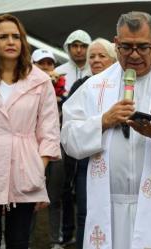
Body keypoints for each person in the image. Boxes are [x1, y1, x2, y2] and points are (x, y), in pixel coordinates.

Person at [61, 11, 151, 249]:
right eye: (126, 47)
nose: (134, 55)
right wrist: (103, 121)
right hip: (107, 206)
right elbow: (68, 137)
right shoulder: (94, 86)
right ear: (116, 43)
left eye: (142, 47)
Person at [0, 14, 61, 249]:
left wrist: (38, 169)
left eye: (16, 37)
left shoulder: (40, 81)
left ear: (23, 42)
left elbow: (49, 131)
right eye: (3, 36)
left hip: (26, 167)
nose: (10, 41)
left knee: (20, 240)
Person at [67, 37, 117, 249]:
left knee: (112, 212)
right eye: (92, 56)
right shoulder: (81, 85)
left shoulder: (121, 85)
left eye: (101, 56)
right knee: (85, 213)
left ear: (114, 59)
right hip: (86, 160)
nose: (96, 60)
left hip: (114, 159)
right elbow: (71, 122)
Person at [55, 29, 91, 246]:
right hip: (63, 135)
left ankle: (84, 231)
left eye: (83, 46)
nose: (79, 50)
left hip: (88, 137)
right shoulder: (59, 72)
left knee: (85, 184)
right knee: (65, 187)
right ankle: (66, 232)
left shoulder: (96, 71)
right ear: (67, 48)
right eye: (74, 45)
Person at [32, 48, 66, 249]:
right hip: (31, 149)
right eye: (40, 63)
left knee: (55, 197)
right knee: (26, 197)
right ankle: (22, 240)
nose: (45, 67)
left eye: (49, 63)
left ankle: (55, 240)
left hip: (56, 148)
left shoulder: (62, 89)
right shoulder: (25, 88)